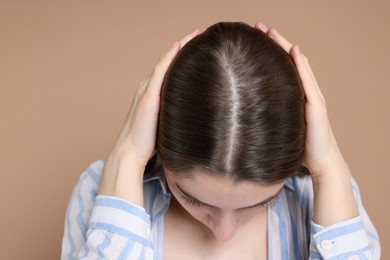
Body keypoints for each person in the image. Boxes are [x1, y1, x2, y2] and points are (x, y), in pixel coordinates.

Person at [61, 22, 381, 259]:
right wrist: (127, 157)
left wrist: (329, 169)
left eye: (260, 202)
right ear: (158, 138)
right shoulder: (101, 189)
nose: (223, 233)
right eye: (194, 199)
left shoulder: (327, 195)